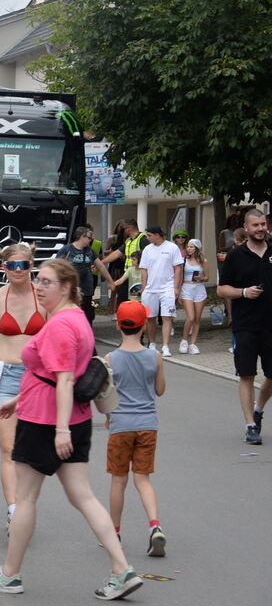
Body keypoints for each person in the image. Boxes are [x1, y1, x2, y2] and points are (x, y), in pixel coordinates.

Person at [0, 259, 143, 601]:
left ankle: (10, 575)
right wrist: (19, 400)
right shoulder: (75, 318)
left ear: (66, 287)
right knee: (83, 496)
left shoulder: (62, 325)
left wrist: (59, 429)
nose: (38, 286)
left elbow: (64, 378)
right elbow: (52, 376)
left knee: (25, 500)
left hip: (46, 423)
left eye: (47, 282)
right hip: (68, 418)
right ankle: (121, 569)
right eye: (39, 281)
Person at [105, 301, 168, 557]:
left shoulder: (110, 359)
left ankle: (114, 532)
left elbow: (107, 397)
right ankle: (155, 527)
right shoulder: (155, 356)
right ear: (143, 326)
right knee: (142, 478)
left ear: (119, 325)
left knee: (119, 480)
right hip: (147, 425)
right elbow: (160, 391)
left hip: (121, 426)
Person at [217, 207, 272, 444]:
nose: (261, 229)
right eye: (256, 225)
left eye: (263, 224)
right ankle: (250, 425)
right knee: (247, 375)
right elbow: (221, 289)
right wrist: (243, 292)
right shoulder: (236, 256)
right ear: (246, 228)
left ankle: (258, 408)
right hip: (246, 325)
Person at [138, 226, 184, 358]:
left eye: (149, 235)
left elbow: (178, 268)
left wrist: (176, 288)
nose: (148, 238)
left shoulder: (172, 247)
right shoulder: (147, 249)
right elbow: (144, 269)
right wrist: (144, 287)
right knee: (150, 318)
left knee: (167, 317)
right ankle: (152, 344)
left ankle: (165, 346)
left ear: (157, 235)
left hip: (167, 288)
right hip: (151, 289)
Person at [56, 226, 113, 325]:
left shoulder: (90, 251)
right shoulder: (66, 250)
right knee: (72, 314)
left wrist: (110, 281)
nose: (91, 240)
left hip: (87, 289)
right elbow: (56, 267)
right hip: (71, 289)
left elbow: (101, 266)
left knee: (87, 315)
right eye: (89, 237)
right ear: (81, 236)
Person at [178, 238, 208, 355]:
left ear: (197, 248)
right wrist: (179, 291)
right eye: (188, 247)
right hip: (187, 288)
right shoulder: (183, 260)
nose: (189, 249)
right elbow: (179, 277)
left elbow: (207, 277)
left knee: (197, 318)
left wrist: (201, 278)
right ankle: (184, 341)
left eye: (191, 247)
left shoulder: (203, 261)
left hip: (199, 288)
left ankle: (193, 344)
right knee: (190, 317)